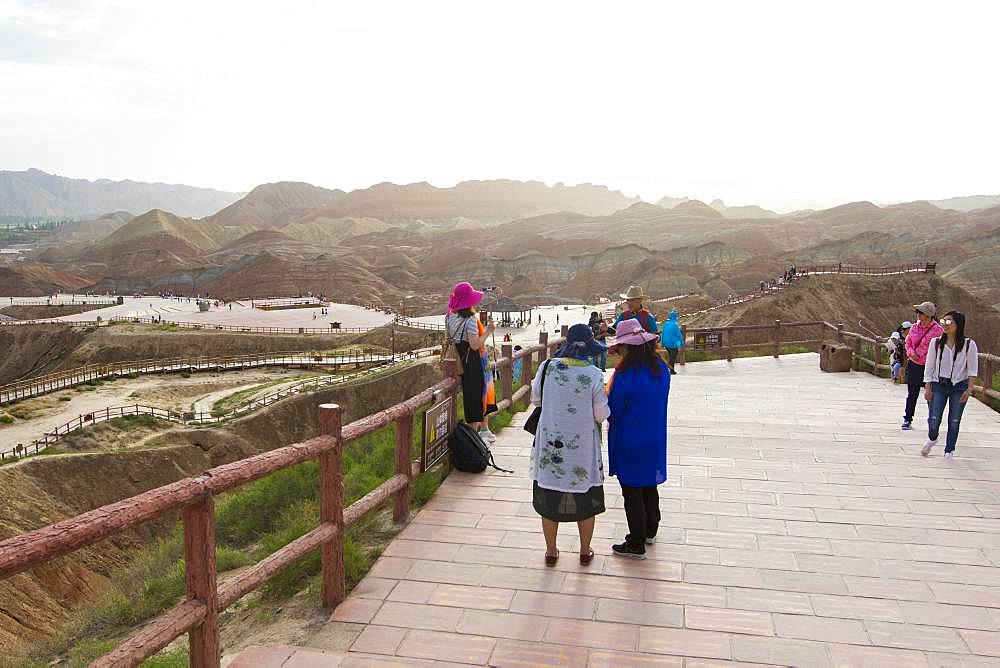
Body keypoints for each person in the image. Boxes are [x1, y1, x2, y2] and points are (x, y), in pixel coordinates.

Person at [529, 324, 609, 567]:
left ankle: (551, 551)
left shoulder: (547, 367)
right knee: (586, 499)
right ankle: (585, 551)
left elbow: (535, 399)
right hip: (582, 449)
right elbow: (600, 414)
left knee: (549, 498)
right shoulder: (595, 374)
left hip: (551, 446)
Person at [606, 318, 670, 559]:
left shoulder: (625, 376)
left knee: (631, 489)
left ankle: (636, 542)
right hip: (654, 436)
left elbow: (615, 409)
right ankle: (650, 529)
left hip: (630, 438)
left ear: (628, 347)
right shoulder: (661, 369)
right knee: (648, 484)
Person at [921, 311, 978, 459]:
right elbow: (929, 367)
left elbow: (972, 369)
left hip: (959, 386)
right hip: (938, 384)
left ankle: (949, 450)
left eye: (949, 322)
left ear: (958, 325)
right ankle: (932, 438)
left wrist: (969, 389)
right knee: (934, 418)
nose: (944, 325)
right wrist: (927, 387)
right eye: (943, 321)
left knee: (954, 420)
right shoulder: (936, 343)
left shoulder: (968, 344)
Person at [445, 282, 497, 442]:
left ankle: (479, 433)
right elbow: (475, 345)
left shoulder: (448, 317)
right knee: (477, 397)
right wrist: (488, 331)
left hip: (461, 361)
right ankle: (476, 438)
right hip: (474, 362)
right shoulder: (470, 321)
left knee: (471, 397)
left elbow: (450, 338)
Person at [902, 302, 944, 430]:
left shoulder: (938, 330)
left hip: (930, 366)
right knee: (912, 393)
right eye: (918, 312)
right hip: (915, 365)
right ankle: (908, 419)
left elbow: (942, 348)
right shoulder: (914, 327)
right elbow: (908, 343)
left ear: (928, 315)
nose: (918, 315)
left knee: (930, 394)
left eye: (921, 312)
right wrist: (911, 353)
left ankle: (933, 419)